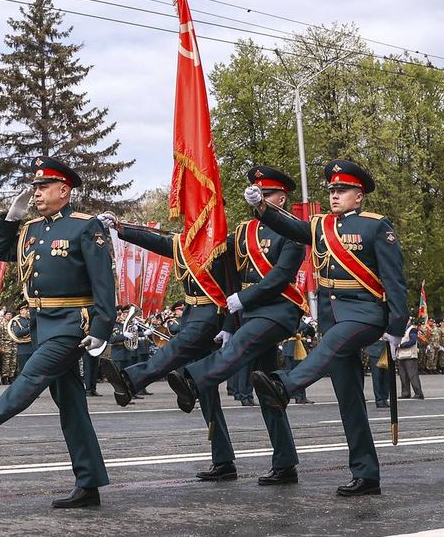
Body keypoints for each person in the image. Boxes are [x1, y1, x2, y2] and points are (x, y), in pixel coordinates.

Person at [0, 156, 116, 509]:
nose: (37, 193)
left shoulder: (85, 227)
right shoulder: (31, 229)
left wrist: (103, 328)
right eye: (35, 187)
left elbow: (105, 284)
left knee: (33, 373)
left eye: (43, 187)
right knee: (71, 406)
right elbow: (0, 252)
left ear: (64, 190)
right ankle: (88, 484)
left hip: (74, 324)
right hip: (41, 324)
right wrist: (10, 220)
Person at [248, 159, 408, 497]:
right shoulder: (321, 226)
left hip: (365, 313)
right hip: (334, 315)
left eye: (343, 190)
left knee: (331, 345)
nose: (335, 195)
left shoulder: (376, 227)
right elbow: (291, 227)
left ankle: (284, 386)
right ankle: (365, 474)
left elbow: (395, 280)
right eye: (332, 190)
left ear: (359, 196)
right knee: (348, 399)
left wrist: (397, 324)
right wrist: (261, 207)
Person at [162, 165, 305, 487]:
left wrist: (244, 299)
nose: (261, 198)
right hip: (245, 315)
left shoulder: (293, 230)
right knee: (265, 386)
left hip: (273, 313)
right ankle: (260, 462)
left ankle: (190, 380)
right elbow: (218, 263)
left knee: (248, 375)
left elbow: (280, 277)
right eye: (257, 194)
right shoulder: (242, 231)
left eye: (267, 194)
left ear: (281, 196)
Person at [94, 212, 237, 481]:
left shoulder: (223, 244)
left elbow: (231, 287)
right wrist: (121, 228)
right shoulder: (182, 244)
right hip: (191, 315)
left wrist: (229, 324)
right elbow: (152, 241)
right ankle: (223, 459)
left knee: (177, 350)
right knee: (205, 390)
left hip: (211, 315)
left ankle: (131, 379)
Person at [397, 319, 424, 399]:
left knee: (412, 375)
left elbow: (412, 341)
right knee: (403, 376)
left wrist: (402, 345)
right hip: (400, 355)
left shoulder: (412, 329)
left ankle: (418, 393)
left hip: (410, 355)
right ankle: (405, 393)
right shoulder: (401, 329)